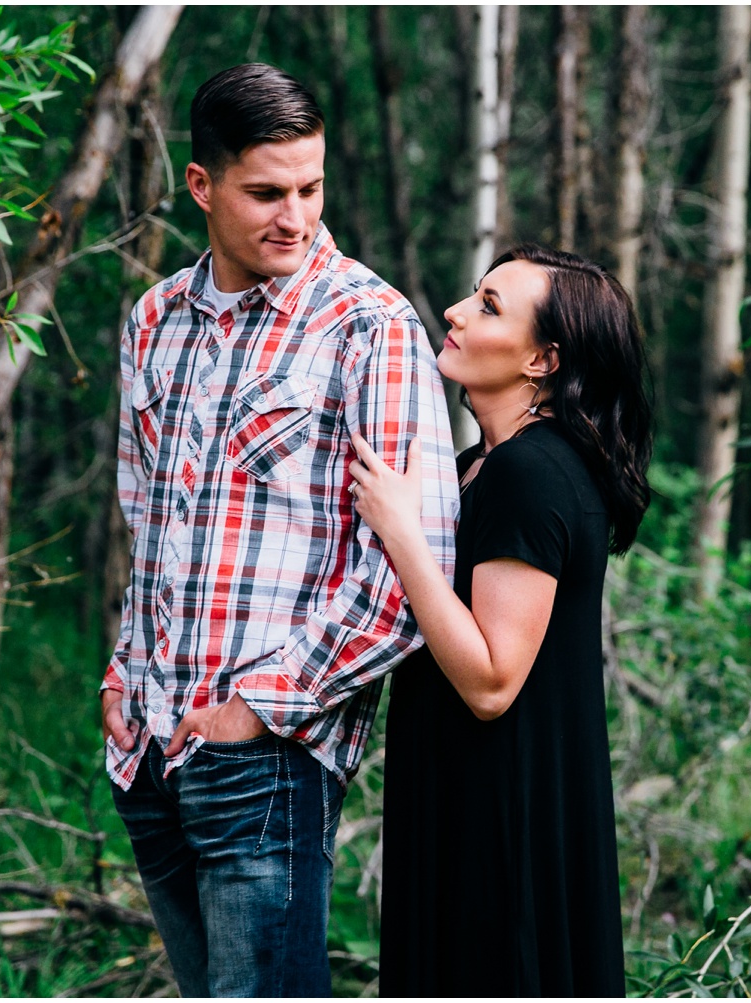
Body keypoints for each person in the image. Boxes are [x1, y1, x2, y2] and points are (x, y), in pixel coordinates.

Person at [99, 63, 460, 997]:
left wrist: (259, 711)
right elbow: (151, 525)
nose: (293, 216)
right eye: (265, 192)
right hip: (148, 745)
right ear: (201, 185)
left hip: (268, 756)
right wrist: (121, 677)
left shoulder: (369, 327)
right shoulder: (153, 323)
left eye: (310, 188)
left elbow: (405, 578)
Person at [348, 245, 654, 995]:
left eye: (488, 306)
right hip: (468, 803)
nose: (454, 312)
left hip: (502, 819)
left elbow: (491, 680)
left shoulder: (533, 471)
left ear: (543, 360)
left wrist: (401, 534)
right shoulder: (483, 466)